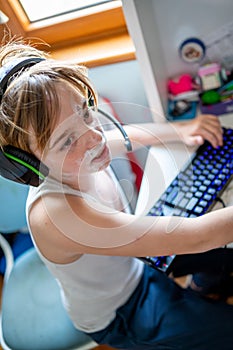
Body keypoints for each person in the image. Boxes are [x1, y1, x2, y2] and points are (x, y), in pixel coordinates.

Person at [1, 39, 233, 350]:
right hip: (123, 310)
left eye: (85, 113)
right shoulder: (57, 215)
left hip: (135, 265)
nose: (94, 137)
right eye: (67, 140)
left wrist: (184, 129)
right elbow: (197, 237)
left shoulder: (82, 150)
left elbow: (126, 136)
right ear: (29, 165)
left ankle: (203, 287)